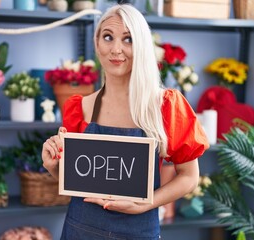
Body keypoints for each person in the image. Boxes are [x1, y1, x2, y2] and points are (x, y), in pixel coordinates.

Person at [42, 4, 209, 240]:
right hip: (81, 230)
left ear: (141, 45)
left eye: (128, 39)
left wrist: (145, 204)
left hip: (138, 232)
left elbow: (189, 177)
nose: (116, 49)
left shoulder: (165, 106)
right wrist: (53, 167)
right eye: (108, 37)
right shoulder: (81, 108)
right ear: (97, 44)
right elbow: (78, 180)